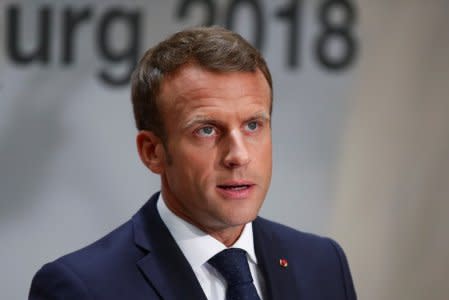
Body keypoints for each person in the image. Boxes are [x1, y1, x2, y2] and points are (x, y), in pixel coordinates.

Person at [29, 26, 356, 300]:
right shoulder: (81, 288)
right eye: (207, 130)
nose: (238, 155)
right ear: (152, 152)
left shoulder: (323, 263)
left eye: (253, 125)